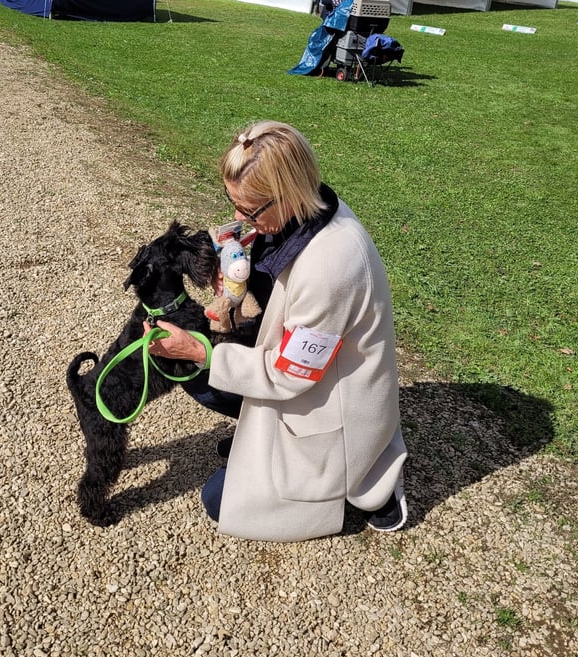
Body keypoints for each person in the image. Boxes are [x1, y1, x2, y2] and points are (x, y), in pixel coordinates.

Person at [146, 121, 408, 541]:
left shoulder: (331, 266)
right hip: (304, 369)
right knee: (197, 377)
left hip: (327, 398)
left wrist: (202, 352)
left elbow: (293, 374)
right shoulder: (305, 211)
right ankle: (260, 436)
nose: (238, 218)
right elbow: (273, 292)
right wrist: (231, 281)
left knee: (218, 498)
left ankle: (368, 483)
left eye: (248, 210)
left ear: (287, 192)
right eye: (233, 203)